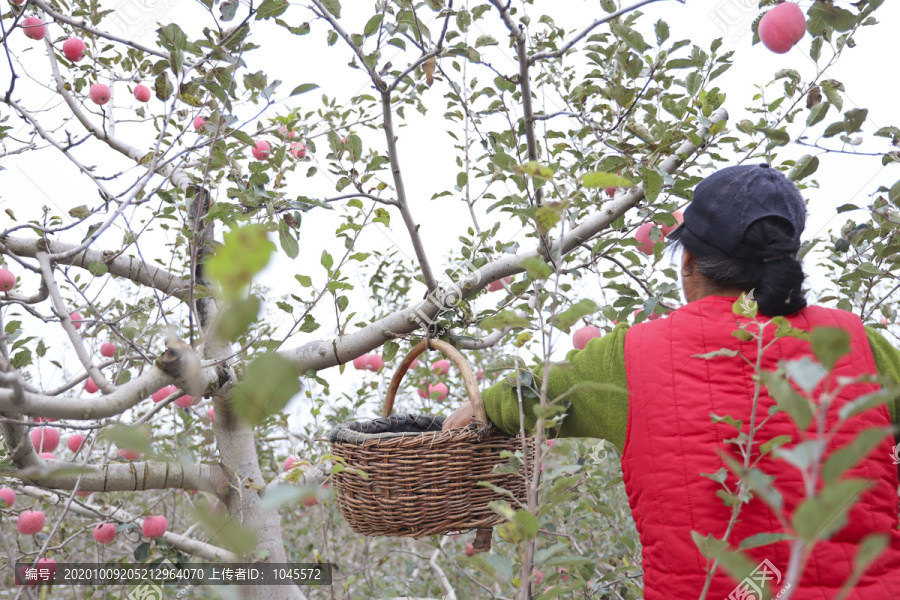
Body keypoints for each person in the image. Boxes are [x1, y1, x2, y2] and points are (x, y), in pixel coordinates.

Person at [442, 164, 900, 599]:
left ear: (690, 263)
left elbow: (525, 398)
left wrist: (478, 405)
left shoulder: (628, 358)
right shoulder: (859, 344)